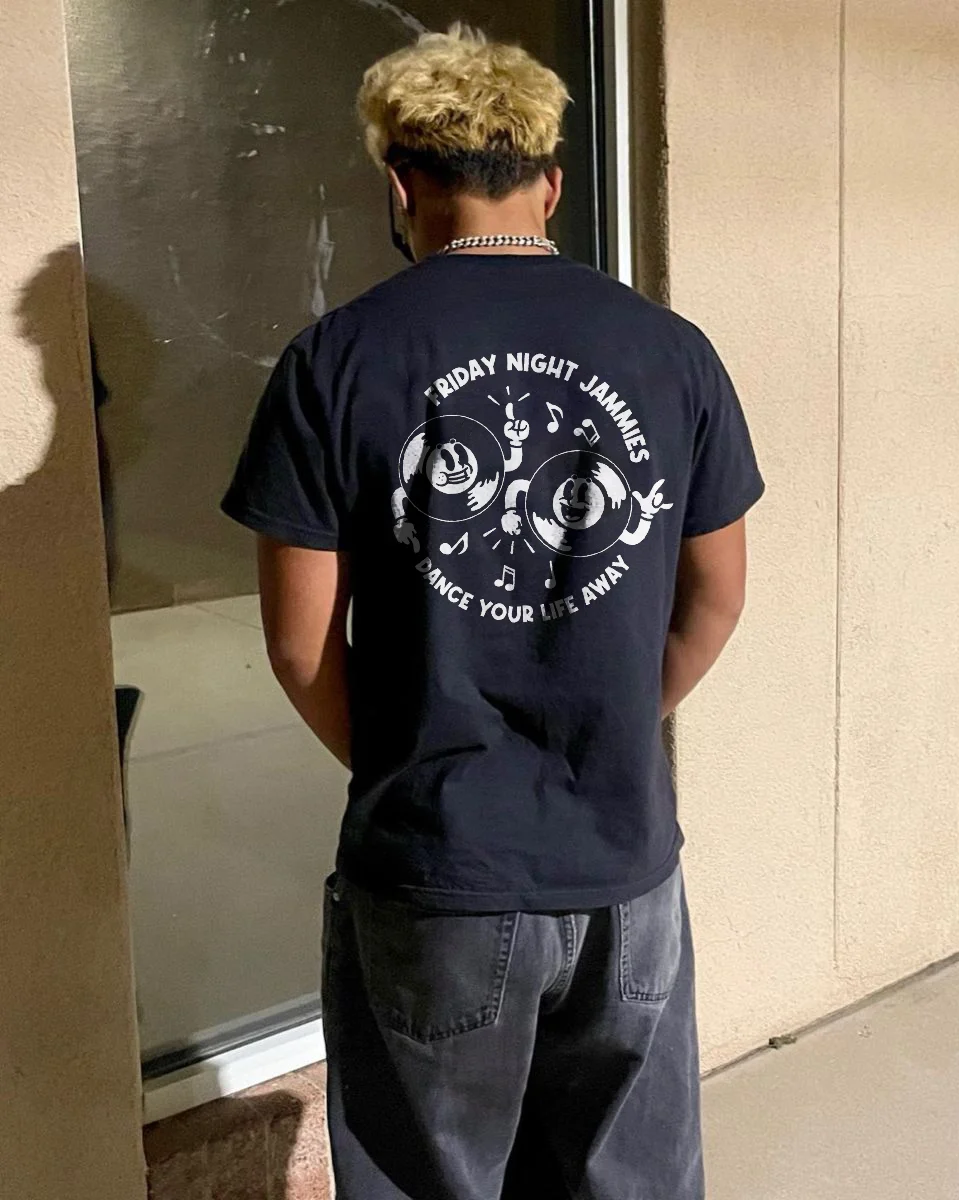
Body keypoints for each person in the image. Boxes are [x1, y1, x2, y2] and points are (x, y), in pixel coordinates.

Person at [222, 23, 763, 1200]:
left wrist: (409, 767)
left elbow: (299, 643)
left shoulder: (333, 362)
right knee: (629, 1179)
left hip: (437, 866)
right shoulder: (670, 352)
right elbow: (717, 596)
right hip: (622, 863)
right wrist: (616, 722)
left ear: (400, 183)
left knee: (430, 1177)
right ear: (551, 183)